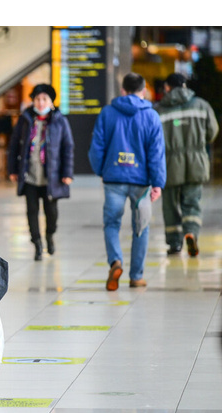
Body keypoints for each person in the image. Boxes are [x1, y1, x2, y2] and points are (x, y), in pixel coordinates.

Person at [89, 72, 167, 291]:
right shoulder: (151, 116)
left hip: (114, 178)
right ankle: (136, 276)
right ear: (143, 91)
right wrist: (158, 182)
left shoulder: (107, 113)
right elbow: (156, 153)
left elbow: (97, 147)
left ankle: (115, 261)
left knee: (112, 223)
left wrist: (101, 170)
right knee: (140, 227)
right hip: (141, 182)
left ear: (122, 90)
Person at [154, 72, 219, 257]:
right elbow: (212, 132)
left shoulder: (159, 110)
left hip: (169, 164)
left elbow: (153, 140)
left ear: (167, 88)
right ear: (184, 86)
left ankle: (175, 244)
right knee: (192, 201)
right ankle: (190, 232)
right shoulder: (201, 105)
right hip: (195, 162)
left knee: (170, 205)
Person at [7, 84, 74, 260]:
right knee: (31, 210)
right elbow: (14, 145)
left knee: (51, 212)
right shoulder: (25, 119)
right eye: (37, 99)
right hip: (29, 174)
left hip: (51, 175)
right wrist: (12, 169)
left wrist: (67, 173)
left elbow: (68, 147)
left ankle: (50, 234)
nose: (41, 102)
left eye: (44, 99)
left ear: (51, 102)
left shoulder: (60, 120)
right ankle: (37, 243)